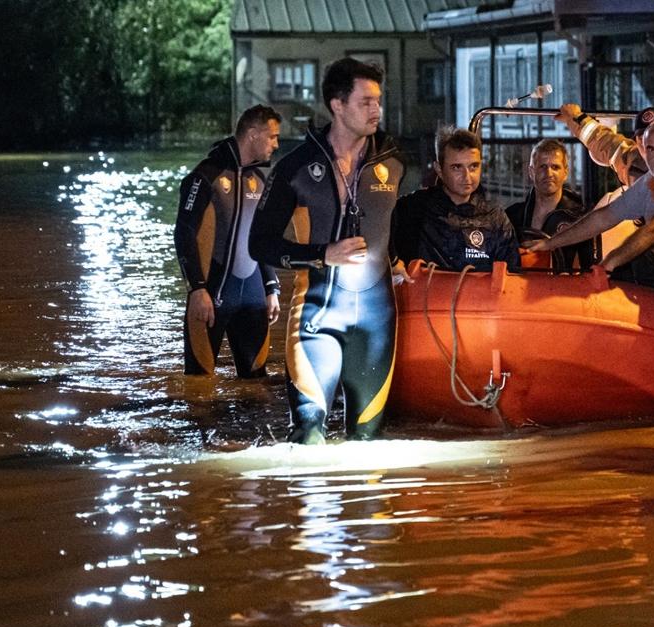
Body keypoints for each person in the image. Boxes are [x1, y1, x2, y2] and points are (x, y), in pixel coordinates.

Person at [249, 58, 406, 444]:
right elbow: (260, 244)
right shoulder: (295, 168)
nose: (377, 110)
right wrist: (322, 254)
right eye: (365, 101)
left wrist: (403, 257)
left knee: (368, 445)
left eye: (378, 101)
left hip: (377, 323)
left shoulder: (394, 162)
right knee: (308, 439)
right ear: (337, 105)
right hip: (317, 319)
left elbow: (397, 225)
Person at [528, 119, 654, 302]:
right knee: (631, 262)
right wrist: (550, 243)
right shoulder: (649, 177)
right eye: (651, 149)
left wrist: (609, 263)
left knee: (641, 257)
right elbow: (604, 217)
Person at [174, 104, 283, 378]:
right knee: (199, 388)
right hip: (211, 294)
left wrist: (271, 288)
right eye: (272, 137)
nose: (277, 144)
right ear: (254, 134)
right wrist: (197, 288)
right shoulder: (205, 176)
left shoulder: (259, 178)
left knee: (256, 388)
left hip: (255, 297)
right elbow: (184, 233)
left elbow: (263, 237)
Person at [390, 127, 520, 273]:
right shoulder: (413, 209)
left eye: (473, 166)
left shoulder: (495, 218)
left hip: (478, 295)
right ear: (439, 169)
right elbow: (378, 232)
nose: (467, 176)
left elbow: (511, 276)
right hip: (425, 293)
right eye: (457, 167)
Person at [556, 103, 654, 186]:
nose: (648, 142)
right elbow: (601, 140)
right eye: (642, 136)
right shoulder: (632, 157)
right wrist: (575, 118)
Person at [504, 138, 592, 271]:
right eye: (542, 167)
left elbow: (589, 270)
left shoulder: (580, 219)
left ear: (565, 172)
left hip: (563, 289)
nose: (549, 173)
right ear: (531, 172)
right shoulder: (512, 216)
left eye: (555, 167)